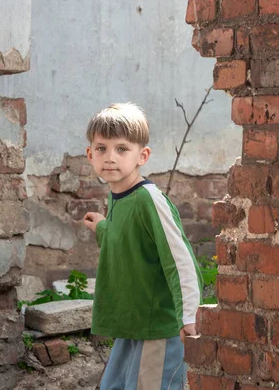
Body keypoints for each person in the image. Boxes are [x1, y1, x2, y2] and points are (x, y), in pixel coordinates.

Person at [83, 103, 203, 389]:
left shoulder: (148, 199)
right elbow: (126, 238)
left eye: (122, 149)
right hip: (132, 325)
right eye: (101, 148)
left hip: (158, 328)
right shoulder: (119, 195)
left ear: (142, 156)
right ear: (90, 155)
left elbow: (179, 258)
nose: (110, 158)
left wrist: (189, 316)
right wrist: (102, 226)